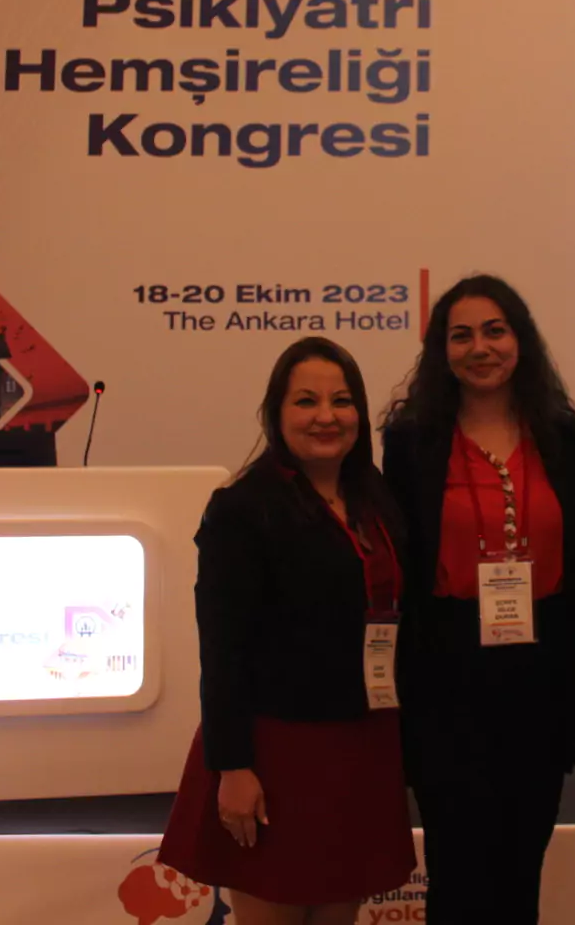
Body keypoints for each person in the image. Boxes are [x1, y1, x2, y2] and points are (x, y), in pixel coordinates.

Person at [160, 337, 413, 925]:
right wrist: (233, 766)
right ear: (276, 413)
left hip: (361, 741)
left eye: (342, 401)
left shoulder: (375, 499)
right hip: (274, 751)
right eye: (306, 401)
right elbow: (222, 650)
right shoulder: (243, 509)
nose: (326, 416)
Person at [380, 275, 575, 925]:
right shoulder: (413, 440)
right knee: (459, 867)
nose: (480, 348)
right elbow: (403, 560)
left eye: (495, 331)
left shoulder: (561, 435)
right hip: (447, 680)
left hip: (540, 677)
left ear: (520, 339)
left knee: (521, 864)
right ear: (441, 350)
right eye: (461, 335)